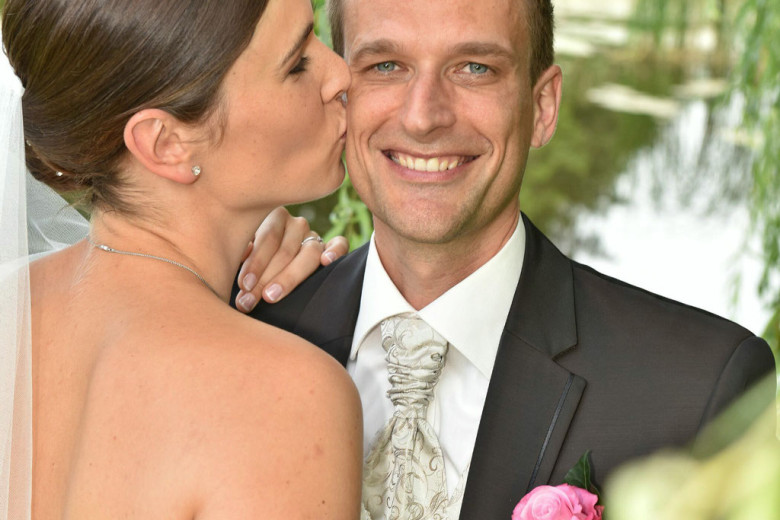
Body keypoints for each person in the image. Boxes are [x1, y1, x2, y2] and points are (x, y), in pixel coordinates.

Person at [238, 0, 777, 518]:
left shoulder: (699, 394)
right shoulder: (243, 331)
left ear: (542, 107)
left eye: (475, 68)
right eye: (386, 66)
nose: (423, 116)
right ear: (340, 95)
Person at [0, 0, 363, 517]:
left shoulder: (11, 308)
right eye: (297, 63)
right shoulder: (285, 396)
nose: (341, 74)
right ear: (164, 143)